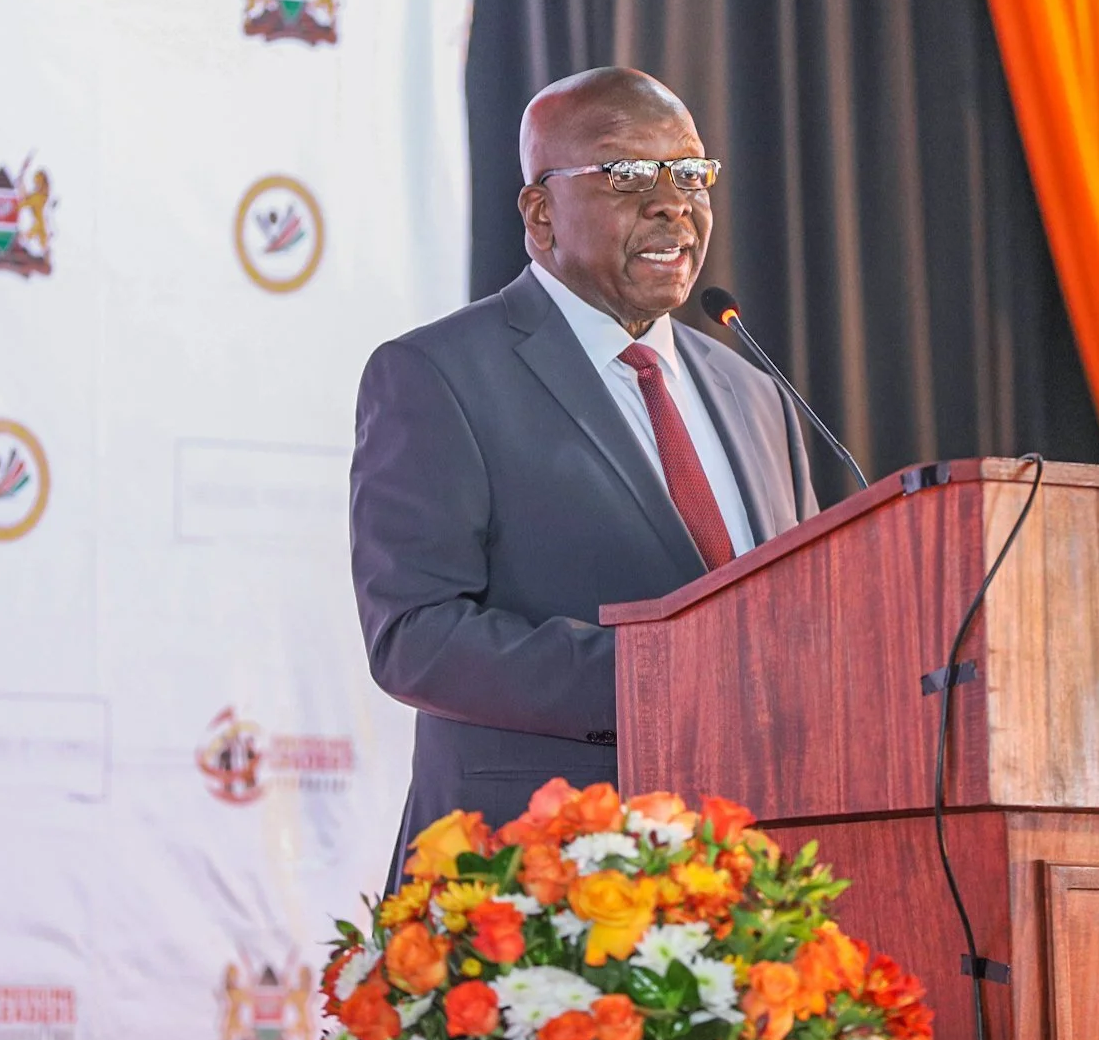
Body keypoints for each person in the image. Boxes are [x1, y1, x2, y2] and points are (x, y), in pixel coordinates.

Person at [349, 66, 819, 881]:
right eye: (630, 173)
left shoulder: (755, 393)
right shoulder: (439, 374)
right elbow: (414, 637)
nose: (673, 202)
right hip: (535, 880)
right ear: (541, 214)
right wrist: (669, 679)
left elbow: (807, 611)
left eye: (691, 173)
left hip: (747, 873)